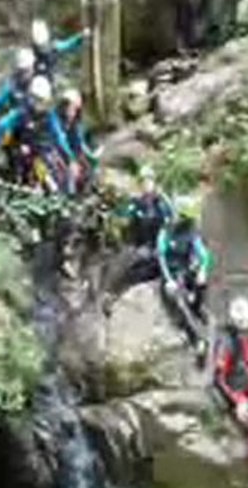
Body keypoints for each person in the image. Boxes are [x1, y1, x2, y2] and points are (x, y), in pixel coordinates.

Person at [0, 75, 75, 191]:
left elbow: (59, 137)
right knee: (19, 154)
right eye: (36, 99)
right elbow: (0, 127)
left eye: (41, 100)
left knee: (55, 170)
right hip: (21, 152)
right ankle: (19, 181)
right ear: (30, 97)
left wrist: (70, 157)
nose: (38, 104)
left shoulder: (49, 117)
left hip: (43, 154)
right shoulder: (20, 114)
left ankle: (59, 190)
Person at [101, 166, 175, 315]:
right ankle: (111, 297)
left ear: (154, 182)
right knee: (127, 265)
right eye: (143, 182)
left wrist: (164, 244)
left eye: (148, 181)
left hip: (162, 246)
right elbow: (125, 217)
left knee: (136, 263)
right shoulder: (137, 202)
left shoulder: (161, 202)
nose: (146, 185)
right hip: (144, 245)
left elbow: (171, 223)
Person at [213, 296, 248, 485]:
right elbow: (219, 378)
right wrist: (238, 401)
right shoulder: (226, 342)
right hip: (236, 394)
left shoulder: (240, 339)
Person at [156, 195, 214, 360]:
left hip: (185, 270)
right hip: (170, 273)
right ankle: (197, 339)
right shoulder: (166, 231)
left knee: (201, 284)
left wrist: (202, 270)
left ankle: (197, 306)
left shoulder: (190, 231)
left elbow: (204, 255)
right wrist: (168, 280)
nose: (177, 218)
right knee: (178, 301)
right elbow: (160, 256)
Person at [57, 88, 101, 193]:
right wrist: (71, 159)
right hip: (59, 153)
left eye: (76, 109)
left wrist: (87, 157)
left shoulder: (76, 124)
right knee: (70, 171)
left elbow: (78, 142)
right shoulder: (56, 121)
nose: (73, 112)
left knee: (88, 168)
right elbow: (58, 140)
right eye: (71, 108)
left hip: (72, 152)